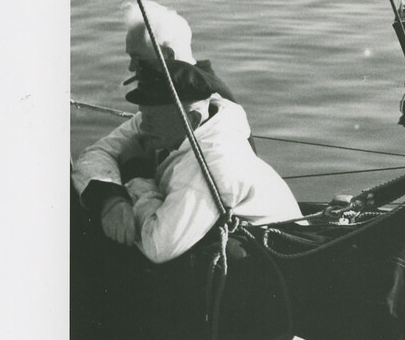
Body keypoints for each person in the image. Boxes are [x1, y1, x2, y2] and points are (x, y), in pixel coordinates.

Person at [72, 58, 301, 265]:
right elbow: (96, 153)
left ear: (191, 119)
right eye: (143, 115)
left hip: (275, 260)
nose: (142, 126)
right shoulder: (166, 121)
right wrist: (111, 198)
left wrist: (137, 174)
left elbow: (157, 246)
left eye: (150, 119)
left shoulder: (213, 163)